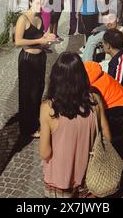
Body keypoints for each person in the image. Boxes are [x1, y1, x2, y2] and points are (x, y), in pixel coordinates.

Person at [40, 53, 111, 198]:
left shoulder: (48, 108)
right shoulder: (95, 99)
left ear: (55, 78)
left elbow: (45, 153)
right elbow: (107, 137)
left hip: (59, 180)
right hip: (88, 177)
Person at [15, 0, 56, 139]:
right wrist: (40, 39)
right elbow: (18, 41)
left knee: (38, 90)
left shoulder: (39, 18)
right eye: (38, 2)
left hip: (40, 57)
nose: (40, 5)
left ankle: (35, 121)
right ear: (30, 1)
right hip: (28, 59)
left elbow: (40, 35)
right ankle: (27, 128)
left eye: (42, 2)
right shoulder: (23, 19)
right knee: (28, 93)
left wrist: (48, 38)